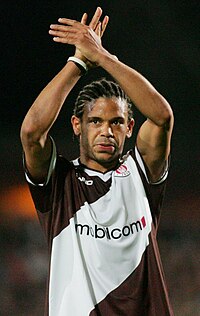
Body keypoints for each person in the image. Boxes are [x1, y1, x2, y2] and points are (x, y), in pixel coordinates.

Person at [20, 7, 174, 316]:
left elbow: (161, 117)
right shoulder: (60, 183)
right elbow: (32, 132)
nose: (106, 131)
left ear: (130, 128)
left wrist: (102, 56)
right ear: (77, 125)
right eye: (95, 121)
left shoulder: (140, 173)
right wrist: (78, 63)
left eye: (117, 122)